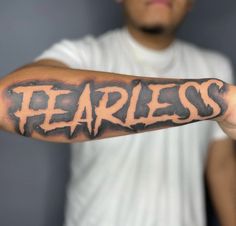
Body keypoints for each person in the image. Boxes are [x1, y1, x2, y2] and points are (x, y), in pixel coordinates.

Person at [0, 0, 235, 226]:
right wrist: (212, 98)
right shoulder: (84, 55)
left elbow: (222, 168)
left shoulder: (216, 66)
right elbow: (7, 102)